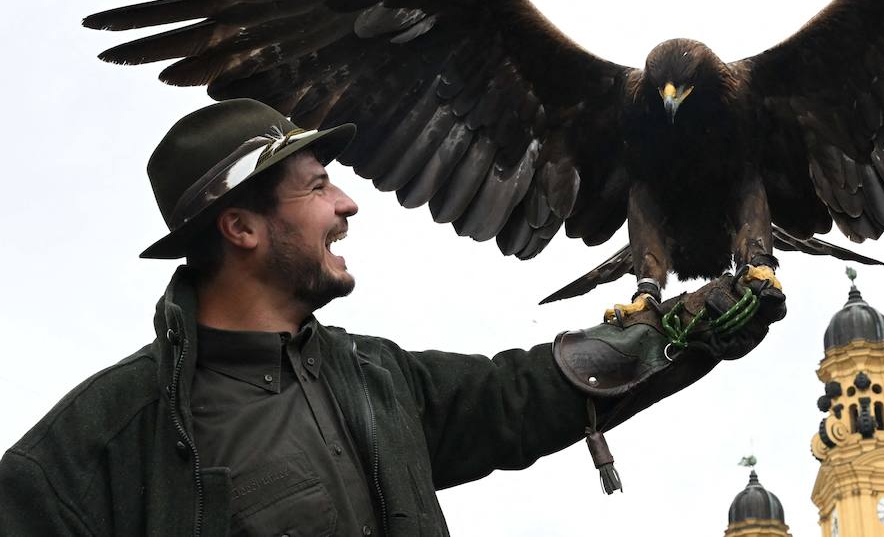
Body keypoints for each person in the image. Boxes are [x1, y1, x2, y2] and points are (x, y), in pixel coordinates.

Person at [0, 99, 782, 536]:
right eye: (316, 188)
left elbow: (530, 392)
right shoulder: (109, 439)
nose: (348, 203)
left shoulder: (377, 381)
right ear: (240, 228)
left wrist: (682, 331)